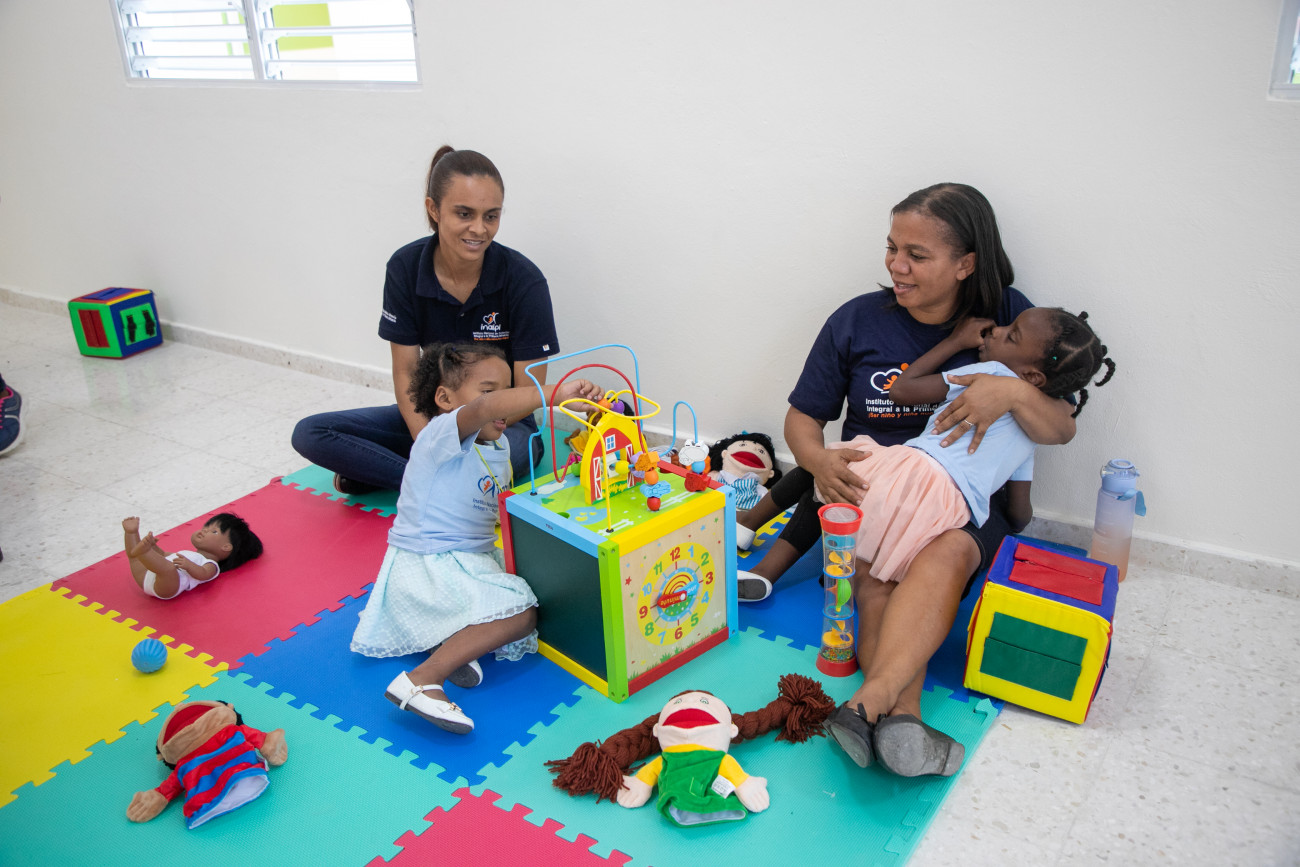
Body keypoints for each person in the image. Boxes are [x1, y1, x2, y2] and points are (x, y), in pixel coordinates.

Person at [736, 183, 1081, 775]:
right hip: (882, 486)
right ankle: (904, 719)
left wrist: (1013, 393)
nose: (897, 265)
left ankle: (872, 706)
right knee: (875, 584)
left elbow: (1060, 425)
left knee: (941, 556)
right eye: (893, 248)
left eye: (917, 255)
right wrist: (818, 462)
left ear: (965, 263)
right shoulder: (856, 320)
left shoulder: (1013, 321)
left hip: (961, 505)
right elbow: (802, 420)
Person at [821, 308, 1113, 774]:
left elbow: (903, 389)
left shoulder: (991, 374)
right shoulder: (1023, 420)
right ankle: (887, 707)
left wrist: (959, 346)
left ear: (1032, 376)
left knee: (876, 589)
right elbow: (1020, 509)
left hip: (893, 474)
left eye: (1011, 334)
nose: (997, 330)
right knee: (895, 589)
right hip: (941, 501)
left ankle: (874, 712)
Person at [349, 342, 601, 734]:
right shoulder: (438, 435)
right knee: (522, 612)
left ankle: (448, 635)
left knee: (538, 584)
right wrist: (556, 393)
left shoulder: (498, 445)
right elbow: (483, 409)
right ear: (445, 399)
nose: (501, 402)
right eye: (489, 391)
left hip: (466, 557)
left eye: (507, 390)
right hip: (429, 564)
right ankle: (422, 679)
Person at [292, 147, 561, 494]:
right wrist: (429, 442)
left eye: (491, 216)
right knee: (312, 433)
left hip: (501, 423)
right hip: (432, 414)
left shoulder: (525, 281)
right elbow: (405, 372)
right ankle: (433, 480)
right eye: (464, 213)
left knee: (515, 455)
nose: (479, 229)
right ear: (433, 209)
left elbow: (527, 391)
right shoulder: (404, 267)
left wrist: (458, 432)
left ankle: (399, 476)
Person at [122, 513, 263, 600]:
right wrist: (154, 548)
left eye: (214, 532)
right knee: (135, 558)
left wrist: (189, 566)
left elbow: (203, 574)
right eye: (206, 527)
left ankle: (144, 552)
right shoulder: (188, 554)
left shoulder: (211, 564)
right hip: (148, 577)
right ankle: (132, 533)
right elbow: (164, 556)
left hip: (168, 587)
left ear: (226, 547)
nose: (204, 531)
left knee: (168, 569)